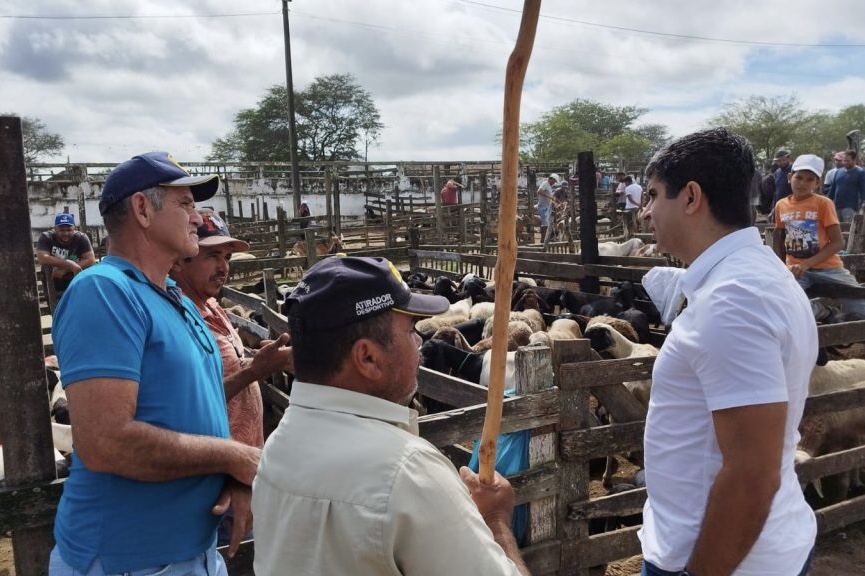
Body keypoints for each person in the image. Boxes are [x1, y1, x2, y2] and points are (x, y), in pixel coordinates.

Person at [49, 151, 261, 576]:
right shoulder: (104, 291)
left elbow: (193, 409)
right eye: (184, 204)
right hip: (130, 559)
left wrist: (232, 471)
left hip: (193, 552)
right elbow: (106, 441)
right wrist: (236, 457)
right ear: (143, 209)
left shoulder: (174, 296)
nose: (197, 218)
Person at [252, 255, 531, 575]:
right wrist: (495, 521)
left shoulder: (276, 449)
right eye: (411, 328)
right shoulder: (408, 472)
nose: (419, 340)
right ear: (368, 357)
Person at [639, 128, 816, 576]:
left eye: (654, 194)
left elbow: (752, 475)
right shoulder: (757, 275)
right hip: (748, 549)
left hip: (718, 559)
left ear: (692, 197)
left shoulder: (732, 299)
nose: (645, 212)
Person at [774, 154, 865, 319]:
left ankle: (830, 316)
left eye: (810, 179)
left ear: (817, 183)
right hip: (796, 271)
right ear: (789, 177)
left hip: (829, 269)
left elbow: (837, 243)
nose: (802, 183)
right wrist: (784, 269)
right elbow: (781, 239)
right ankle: (825, 313)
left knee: (861, 309)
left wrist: (807, 264)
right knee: (783, 306)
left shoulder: (823, 204)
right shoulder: (781, 205)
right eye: (799, 177)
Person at [35, 212, 97, 297]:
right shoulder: (46, 237)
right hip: (52, 280)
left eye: (69, 230)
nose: (66, 233)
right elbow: (42, 258)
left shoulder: (81, 238)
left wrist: (65, 269)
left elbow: (90, 260)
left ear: (74, 228)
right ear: (55, 229)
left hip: (74, 278)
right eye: (62, 230)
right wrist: (70, 264)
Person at [827, 149, 865, 222]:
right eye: (844, 160)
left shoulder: (860, 173)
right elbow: (833, 189)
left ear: (854, 160)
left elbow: (863, 190)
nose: (845, 163)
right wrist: (828, 202)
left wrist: (862, 207)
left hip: (851, 208)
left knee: (848, 229)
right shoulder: (838, 172)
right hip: (837, 207)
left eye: (848, 161)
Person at [536, 173, 559, 242]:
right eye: (554, 181)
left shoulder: (549, 186)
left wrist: (554, 203)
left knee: (548, 223)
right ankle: (543, 240)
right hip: (543, 207)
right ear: (551, 179)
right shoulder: (545, 184)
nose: (554, 183)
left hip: (547, 207)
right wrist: (550, 197)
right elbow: (539, 191)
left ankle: (547, 239)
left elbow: (549, 198)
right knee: (545, 224)